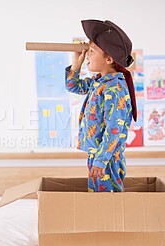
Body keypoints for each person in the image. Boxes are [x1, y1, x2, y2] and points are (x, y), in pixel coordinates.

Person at [65, 19, 137, 192]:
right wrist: (76, 66)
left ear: (109, 59)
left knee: (107, 201)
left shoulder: (115, 88)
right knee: (97, 198)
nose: (87, 55)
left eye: (91, 51)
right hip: (97, 154)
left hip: (107, 157)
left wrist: (101, 160)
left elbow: (115, 129)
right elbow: (73, 86)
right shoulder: (99, 82)